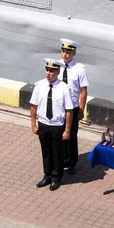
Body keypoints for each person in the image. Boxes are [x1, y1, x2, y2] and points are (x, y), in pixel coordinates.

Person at [30, 59, 73, 191]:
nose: (48, 73)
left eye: (52, 71)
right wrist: (33, 124)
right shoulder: (39, 86)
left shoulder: (64, 89)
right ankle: (47, 175)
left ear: (58, 72)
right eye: (47, 70)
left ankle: (56, 177)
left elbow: (69, 111)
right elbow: (33, 106)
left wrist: (67, 130)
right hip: (43, 124)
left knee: (57, 152)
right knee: (46, 151)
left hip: (57, 125)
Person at [58, 38, 89, 176]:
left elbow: (83, 91)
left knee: (71, 136)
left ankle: (71, 163)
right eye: (64, 51)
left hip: (73, 107)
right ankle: (61, 159)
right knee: (59, 134)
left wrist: (81, 109)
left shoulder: (79, 69)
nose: (65, 55)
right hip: (58, 107)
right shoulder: (56, 66)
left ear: (74, 53)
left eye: (68, 52)